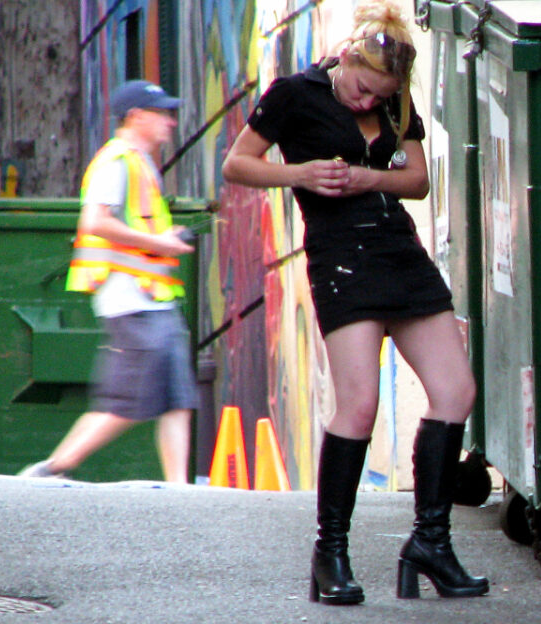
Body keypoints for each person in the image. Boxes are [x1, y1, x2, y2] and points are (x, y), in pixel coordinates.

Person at [221, 0, 487, 606]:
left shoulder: (394, 100)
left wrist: (370, 179)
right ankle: (330, 554)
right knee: (360, 403)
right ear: (344, 59)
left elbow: (416, 179)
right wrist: (303, 175)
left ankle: (431, 543)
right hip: (341, 258)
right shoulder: (293, 95)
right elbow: (238, 165)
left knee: (455, 391)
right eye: (364, 90)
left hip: (400, 252)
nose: (369, 103)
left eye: (381, 95)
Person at [17, 80, 196, 484]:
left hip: (154, 300)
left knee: (177, 399)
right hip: (129, 302)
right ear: (136, 117)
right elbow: (95, 222)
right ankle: (50, 470)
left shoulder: (140, 162)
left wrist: (162, 241)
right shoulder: (115, 161)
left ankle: (180, 491)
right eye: (162, 113)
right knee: (125, 404)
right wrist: (159, 242)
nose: (170, 121)